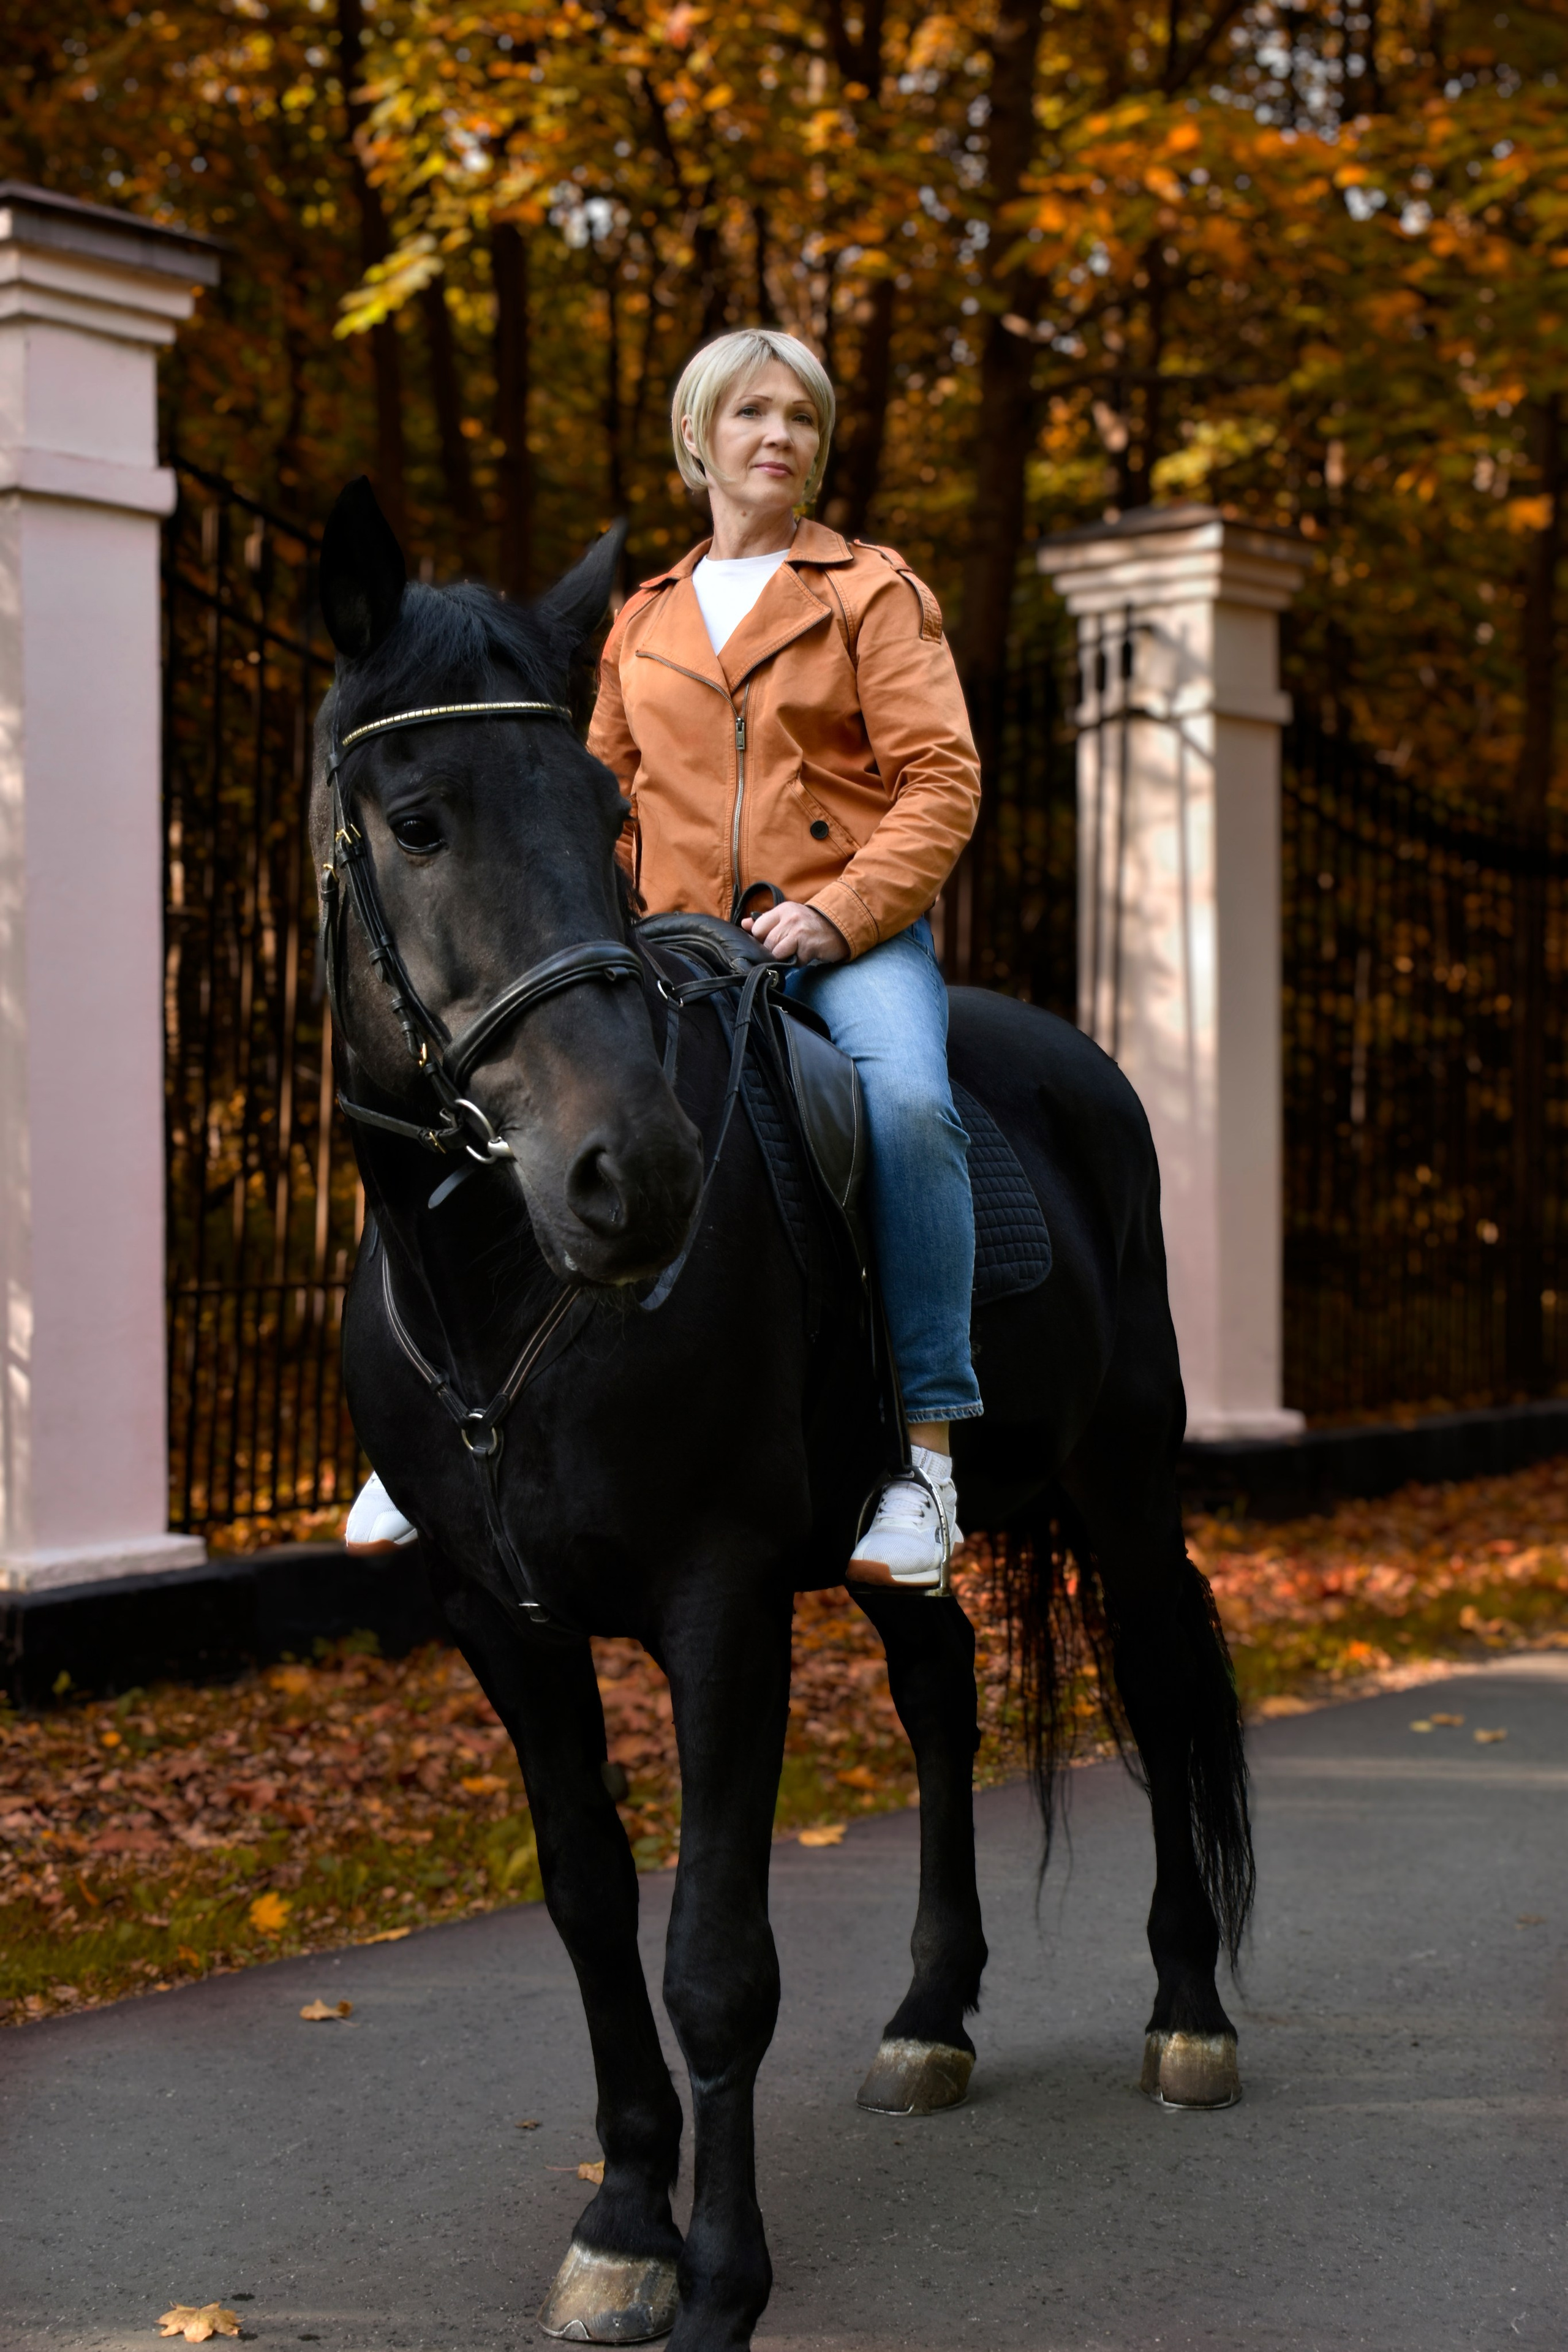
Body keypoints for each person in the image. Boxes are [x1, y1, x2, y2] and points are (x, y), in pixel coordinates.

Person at [347, 326, 982, 1588]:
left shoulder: (870, 590)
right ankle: (423, 1425)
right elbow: (596, 792)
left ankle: (923, 1457)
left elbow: (939, 782)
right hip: (675, 946)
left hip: (842, 939)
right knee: (523, 1103)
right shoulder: (640, 619)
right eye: (750, 414)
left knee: (909, 1112)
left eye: (799, 419)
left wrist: (838, 913)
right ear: (698, 439)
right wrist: (614, 926)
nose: (777, 439)